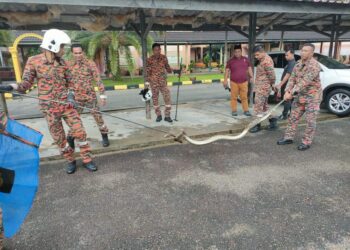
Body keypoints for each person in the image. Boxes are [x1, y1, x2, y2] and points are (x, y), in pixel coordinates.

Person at [0, 29, 97, 174]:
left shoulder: (64, 63)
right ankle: (70, 160)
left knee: (80, 132)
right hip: (49, 108)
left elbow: (71, 83)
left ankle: (87, 159)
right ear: (54, 46)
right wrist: (11, 86)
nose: (64, 50)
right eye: (62, 46)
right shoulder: (34, 61)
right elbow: (25, 84)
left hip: (67, 105)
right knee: (60, 139)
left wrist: (71, 96)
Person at [277, 43, 322, 151]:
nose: (302, 52)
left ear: (311, 53)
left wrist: (291, 93)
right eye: (302, 50)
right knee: (293, 117)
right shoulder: (298, 64)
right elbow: (292, 79)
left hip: (312, 98)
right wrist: (287, 90)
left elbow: (304, 82)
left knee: (310, 121)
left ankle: (306, 142)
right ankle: (288, 137)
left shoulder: (314, 66)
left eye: (306, 51)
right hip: (300, 96)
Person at [67, 44, 109, 148]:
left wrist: (102, 95)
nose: (78, 55)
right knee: (74, 121)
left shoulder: (90, 63)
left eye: (80, 53)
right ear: (72, 53)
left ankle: (105, 136)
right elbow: (65, 82)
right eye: (75, 53)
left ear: (83, 52)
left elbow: (98, 79)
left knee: (99, 118)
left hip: (90, 97)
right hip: (76, 99)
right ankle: (71, 140)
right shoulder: (68, 65)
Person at [249, 45, 277, 133]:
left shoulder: (266, 61)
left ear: (262, 52)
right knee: (265, 106)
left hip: (263, 88)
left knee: (258, 107)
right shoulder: (262, 60)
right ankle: (273, 121)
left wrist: (272, 84)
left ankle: (257, 125)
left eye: (257, 55)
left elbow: (272, 76)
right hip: (261, 86)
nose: (256, 57)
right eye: (255, 55)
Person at [223, 44, 253, 117]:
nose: (237, 53)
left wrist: (251, 77)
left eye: (238, 51)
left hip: (244, 82)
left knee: (244, 97)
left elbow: (249, 68)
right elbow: (227, 71)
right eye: (235, 52)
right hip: (234, 82)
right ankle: (234, 110)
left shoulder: (246, 60)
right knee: (234, 97)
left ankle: (246, 110)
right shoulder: (230, 61)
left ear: (241, 51)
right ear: (234, 52)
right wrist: (225, 80)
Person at [146, 43, 173, 123]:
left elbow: (167, 67)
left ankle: (167, 116)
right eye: (155, 50)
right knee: (155, 99)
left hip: (163, 82)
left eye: (158, 49)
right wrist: (147, 83)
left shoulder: (164, 58)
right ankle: (158, 115)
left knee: (167, 97)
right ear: (153, 51)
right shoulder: (149, 59)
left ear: (160, 50)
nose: (157, 51)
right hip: (153, 83)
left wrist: (173, 70)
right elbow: (148, 72)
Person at [276, 49, 296, 120]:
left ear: (292, 54)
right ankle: (291, 114)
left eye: (287, 55)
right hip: (286, 84)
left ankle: (284, 115)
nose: (285, 56)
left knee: (287, 100)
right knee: (289, 100)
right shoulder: (290, 62)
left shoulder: (292, 63)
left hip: (288, 85)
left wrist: (280, 84)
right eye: (285, 55)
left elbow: (287, 75)